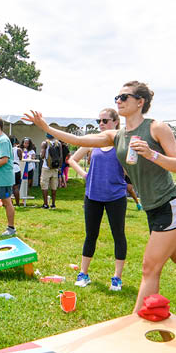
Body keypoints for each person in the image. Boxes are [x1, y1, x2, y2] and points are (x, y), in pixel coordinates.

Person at [23, 81, 176, 329]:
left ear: (139, 102)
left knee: (150, 267)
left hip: (171, 204)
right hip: (154, 209)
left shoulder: (156, 128)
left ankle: (135, 325)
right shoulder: (116, 136)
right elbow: (79, 139)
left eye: (123, 97)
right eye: (116, 97)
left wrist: (152, 154)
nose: (118, 101)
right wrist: (46, 128)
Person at [67, 109, 128, 290]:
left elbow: (131, 166)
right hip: (93, 195)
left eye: (105, 120)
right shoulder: (93, 141)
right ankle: (83, 273)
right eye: (98, 120)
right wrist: (84, 174)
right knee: (90, 235)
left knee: (118, 235)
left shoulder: (121, 143)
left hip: (116, 196)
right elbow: (72, 159)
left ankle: (117, 277)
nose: (100, 123)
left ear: (116, 122)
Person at [40, 133, 62, 209]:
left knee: (44, 186)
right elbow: (61, 156)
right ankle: (53, 204)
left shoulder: (44, 143)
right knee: (54, 187)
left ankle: (45, 204)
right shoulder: (58, 143)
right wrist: (59, 167)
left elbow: (42, 156)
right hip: (55, 168)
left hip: (46, 167)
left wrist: (41, 154)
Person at [10, 136, 22, 206]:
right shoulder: (18, 150)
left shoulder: (7, 149)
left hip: (9, 169)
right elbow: (21, 158)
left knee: (8, 187)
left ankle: (9, 203)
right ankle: (17, 203)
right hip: (17, 168)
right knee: (16, 187)